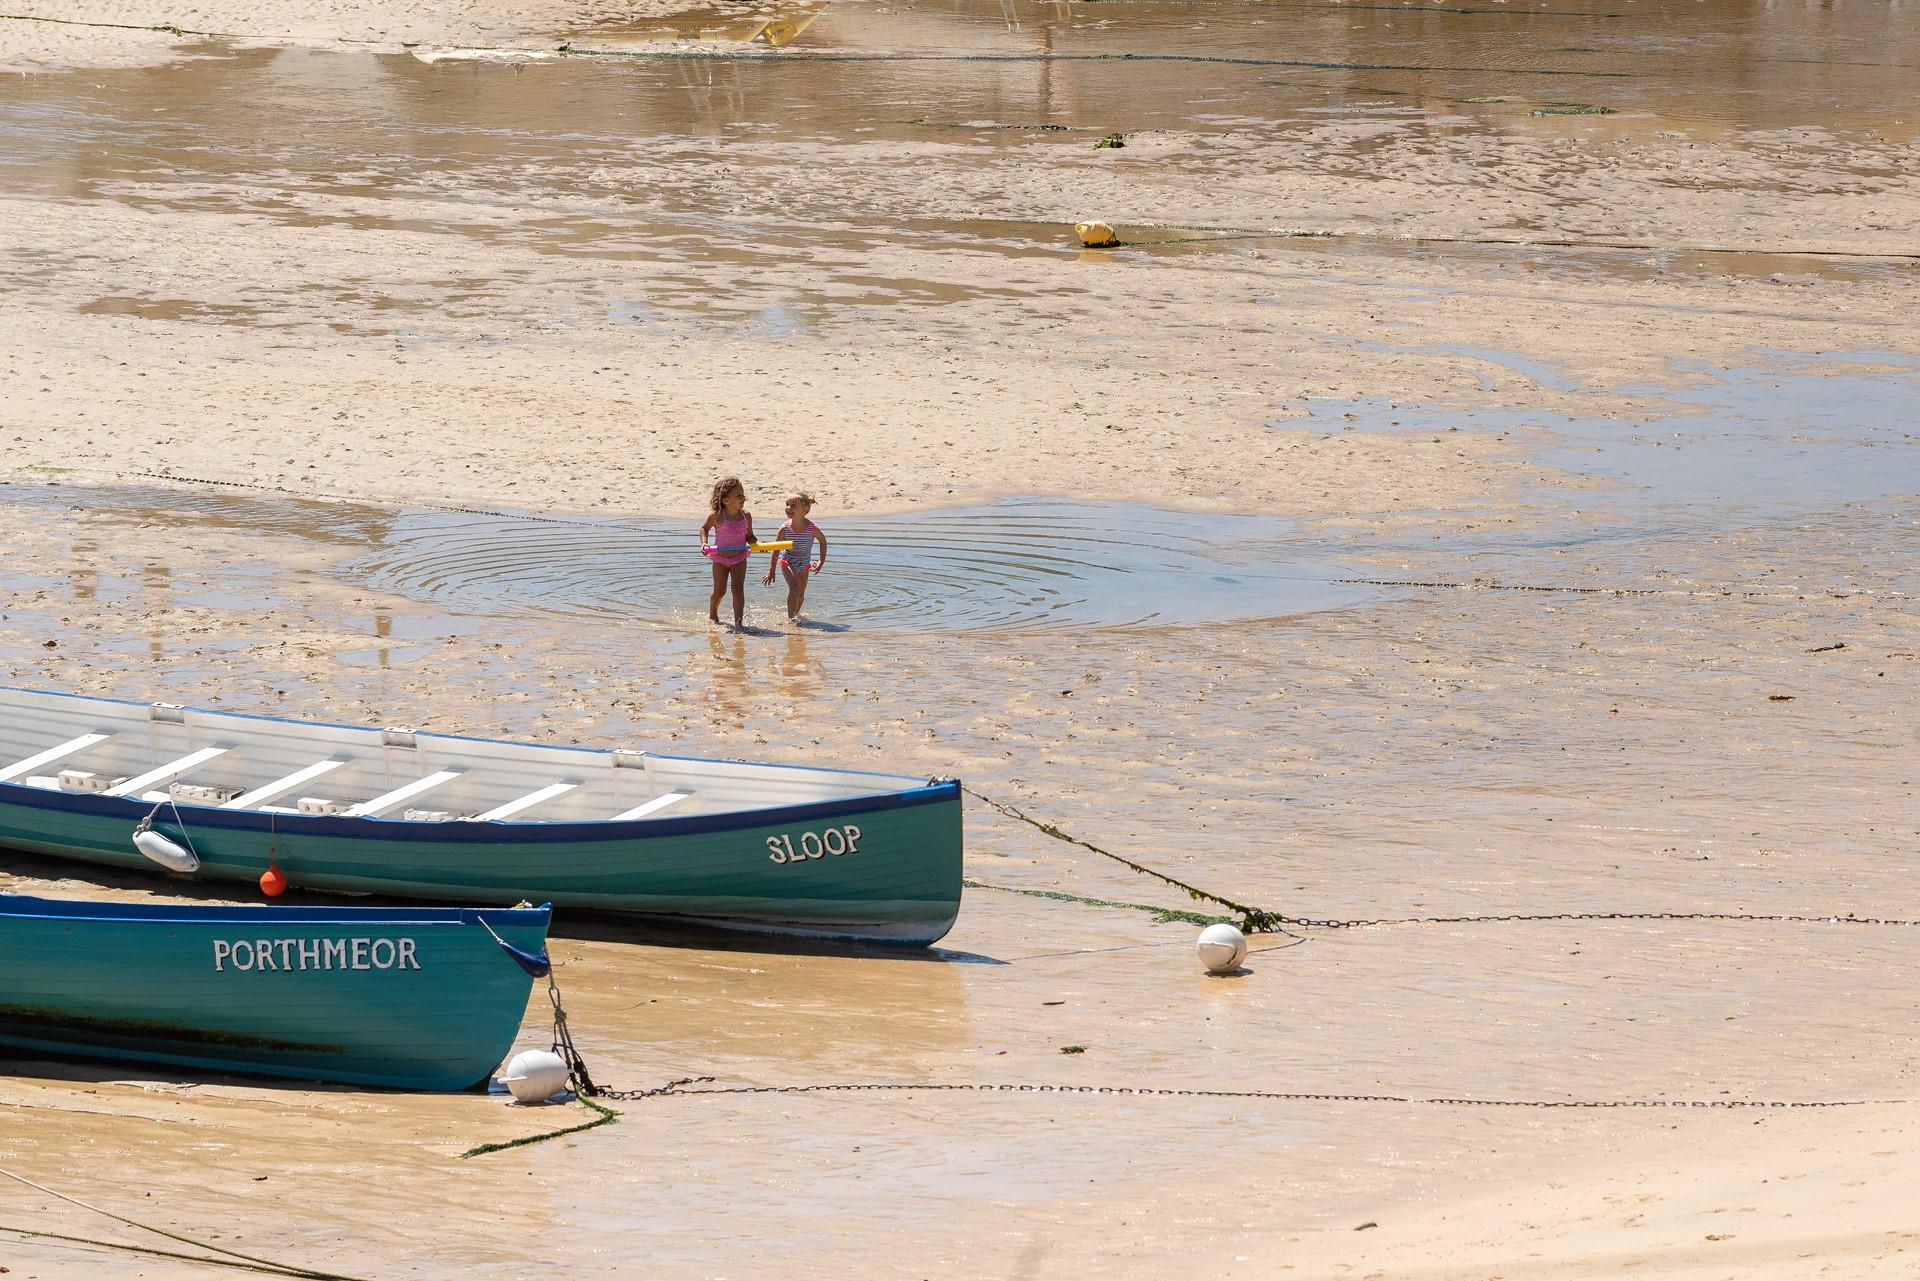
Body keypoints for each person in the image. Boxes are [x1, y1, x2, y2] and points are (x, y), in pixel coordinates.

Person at [700, 476, 755, 629]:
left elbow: (749, 536)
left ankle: (739, 623)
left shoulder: (746, 516)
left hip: (739, 558)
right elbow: (704, 529)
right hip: (719, 559)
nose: (743, 498)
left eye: (743, 494)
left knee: (738, 588)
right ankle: (713, 613)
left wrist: (756, 544)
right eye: (738, 495)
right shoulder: (716, 516)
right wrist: (704, 543)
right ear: (725, 500)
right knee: (720, 590)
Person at [763, 491, 826, 620]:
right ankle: (791, 620)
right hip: (788, 561)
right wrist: (772, 570)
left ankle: (796, 614)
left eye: (793, 506)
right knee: (794, 587)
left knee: (801, 594)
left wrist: (821, 561)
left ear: (805, 510)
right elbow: (775, 549)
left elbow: (823, 541)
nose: (788, 508)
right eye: (787, 504)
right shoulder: (784, 528)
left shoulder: (811, 528)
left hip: (804, 564)